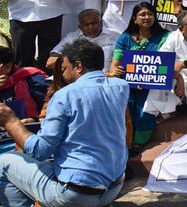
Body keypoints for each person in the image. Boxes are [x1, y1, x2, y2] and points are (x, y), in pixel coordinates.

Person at [0, 38, 128, 207]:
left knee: (4, 161)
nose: (63, 73)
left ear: (79, 66)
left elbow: (40, 151)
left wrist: (10, 121)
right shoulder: (121, 86)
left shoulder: (65, 95)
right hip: (113, 187)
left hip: (75, 194)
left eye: (64, 68)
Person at [109, 2, 169, 150]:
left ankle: (138, 141)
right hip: (127, 82)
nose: (147, 17)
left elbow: (166, 63)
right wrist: (114, 71)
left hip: (153, 84)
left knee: (145, 111)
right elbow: (115, 63)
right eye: (142, 15)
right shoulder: (125, 38)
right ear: (135, 19)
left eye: (150, 14)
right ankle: (124, 140)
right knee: (126, 107)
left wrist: (146, 79)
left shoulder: (165, 37)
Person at [47, 9, 119, 74]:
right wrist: (72, 60)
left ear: (101, 23)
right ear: (80, 27)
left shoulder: (116, 37)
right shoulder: (72, 38)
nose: (91, 27)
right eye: (86, 25)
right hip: (79, 81)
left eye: (94, 23)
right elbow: (50, 63)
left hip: (108, 78)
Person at [0, 45, 49, 121]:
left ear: (7, 67)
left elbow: (55, 101)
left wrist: (37, 119)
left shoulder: (32, 79)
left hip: (30, 130)